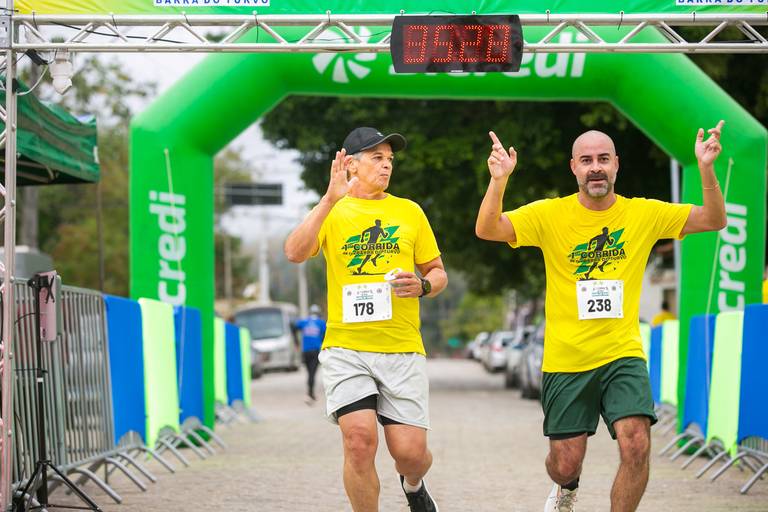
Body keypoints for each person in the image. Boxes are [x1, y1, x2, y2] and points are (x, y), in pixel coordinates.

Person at [475, 122, 727, 512]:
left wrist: (706, 169)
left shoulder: (644, 213)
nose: (596, 167)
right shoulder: (549, 214)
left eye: (603, 159)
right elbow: (488, 228)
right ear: (574, 167)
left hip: (621, 353)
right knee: (565, 463)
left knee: (637, 443)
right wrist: (499, 180)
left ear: (616, 165)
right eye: (587, 160)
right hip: (567, 359)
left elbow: (713, 219)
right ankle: (566, 487)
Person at [284, 126, 447, 512]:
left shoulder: (409, 211)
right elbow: (294, 252)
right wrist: (328, 199)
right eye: (377, 158)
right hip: (346, 347)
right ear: (351, 165)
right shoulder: (332, 210)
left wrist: (423, 285)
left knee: (410, 454)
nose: (387, 165)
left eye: (390, 159)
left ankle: (413, 483)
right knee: (358, 441)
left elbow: (438, 272)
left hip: (401, 347)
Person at [295, 304, 327, 403]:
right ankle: (310, 393)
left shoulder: (304, 321)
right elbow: (325, 335)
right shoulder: (321, 323)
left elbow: (293, 325)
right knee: (312, 373)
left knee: (309, 373)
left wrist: (296, 341)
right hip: (315, 351)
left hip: (305, 351)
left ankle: (310, 392)